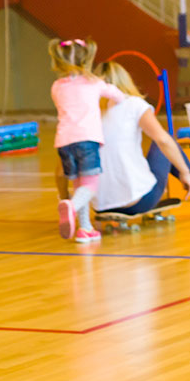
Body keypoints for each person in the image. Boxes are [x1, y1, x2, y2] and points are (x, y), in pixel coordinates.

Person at [88, 61, 190, 221]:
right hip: (138, 202)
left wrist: (67, 201)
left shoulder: (89, 113)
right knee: (166, 139)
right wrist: (185, 173)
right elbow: (163, 141)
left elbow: (63, 167)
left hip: (99, 205)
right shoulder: (133, 104)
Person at [50, 37, 126, 243]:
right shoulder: (94, 83)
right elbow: (118, 96)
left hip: (64, 142)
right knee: (90, 186)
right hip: (87, 140)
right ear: (87, 59)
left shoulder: (57, 87)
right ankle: (72, 207)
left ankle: (85, 228)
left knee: (78, 185)